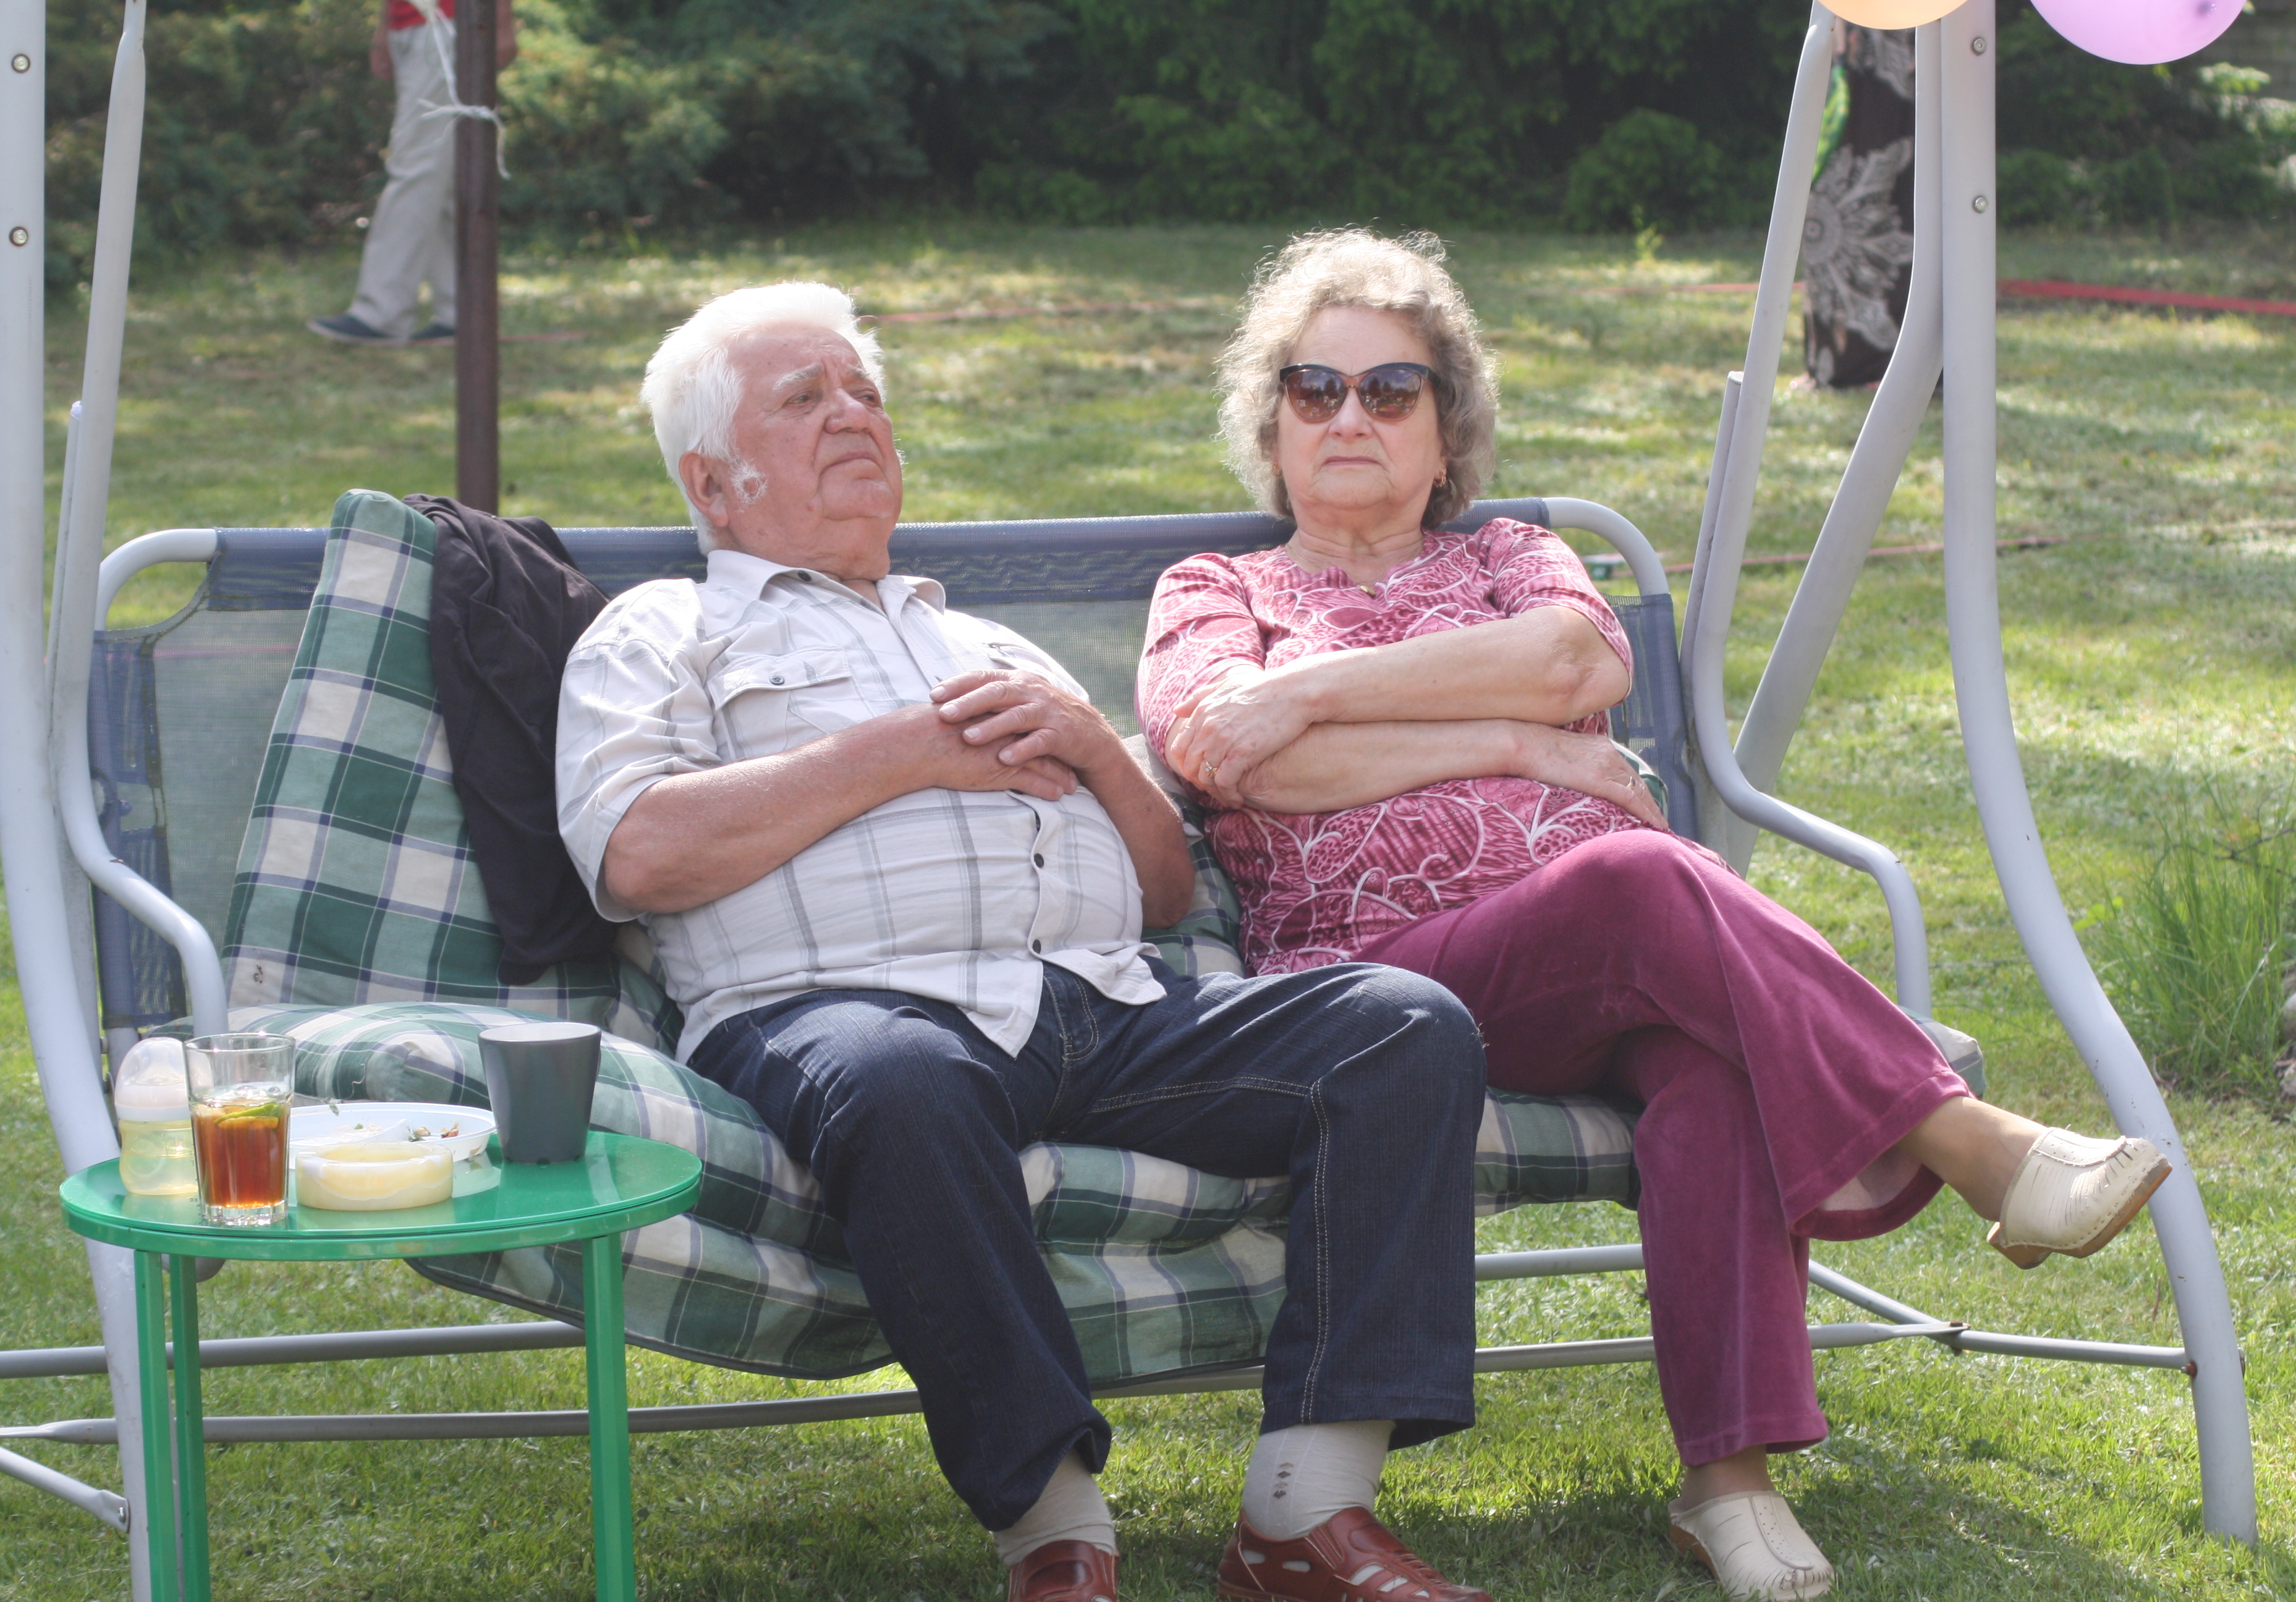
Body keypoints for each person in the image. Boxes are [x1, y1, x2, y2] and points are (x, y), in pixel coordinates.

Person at [1136, 230, 2174, 1602]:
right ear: (1272, 425)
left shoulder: (1512, 555)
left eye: (1389, 389)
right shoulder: (1219, 591)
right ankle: (1974, 1143)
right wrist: (1517, 743)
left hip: (1609, 970)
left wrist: (1318, 694)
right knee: (1642, 876)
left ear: (1447, 433)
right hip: (1382, 991)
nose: (1347, 415)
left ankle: (1726, 1482)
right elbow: (1228, 756)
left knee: (1711, 1062)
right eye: (1313, 387)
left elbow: (1577, 656)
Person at [554, 281, 1498, 1602]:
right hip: (843, 1009)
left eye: (864, 392)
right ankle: (1056, 1532)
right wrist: (903, 752)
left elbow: (1163, 893)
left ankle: (1305, 1510)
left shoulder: (987, 640)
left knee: (1399, 1028)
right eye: (805, 398)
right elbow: (636, 852)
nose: (853, 415)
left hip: (1103, 1006)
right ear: (713, 484)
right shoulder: (662, 632)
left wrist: (1100, 751)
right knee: (904, 1081)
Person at [307, 0, 515, 346]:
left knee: (416, 169)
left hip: (450, 26)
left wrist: (501, 20)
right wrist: (385, 28)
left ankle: (382, 313)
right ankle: (462, 313)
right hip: (416, 27)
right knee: (442, 178)